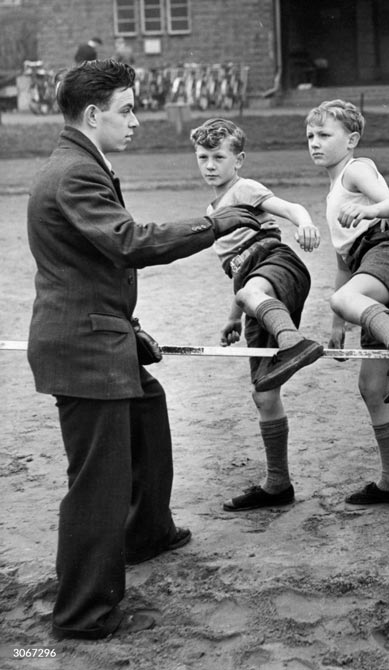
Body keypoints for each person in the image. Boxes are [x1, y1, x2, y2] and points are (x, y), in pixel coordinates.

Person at [26, 60, 261, 640]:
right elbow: (128, 242)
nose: (135, 120)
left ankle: (148, 532)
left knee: (148, 413)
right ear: (91, 114)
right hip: (84, 348)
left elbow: (92, 262)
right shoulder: (75, 173)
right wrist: (214, 222)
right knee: (97, 485)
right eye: (126, 109)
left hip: (102, 334)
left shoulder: (81, 163)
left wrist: (126, 330)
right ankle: (83, 614)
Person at [306, 99, 389, 505]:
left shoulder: (356, 168)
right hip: (372, 263)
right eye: (310, 136)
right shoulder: (333, 192)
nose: (315, 143)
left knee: (346, 298)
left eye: (325, 135)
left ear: (352, 140)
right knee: (371, 386)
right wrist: (337, 324)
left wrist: (368, 212)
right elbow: (344, 261)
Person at [190, 118, 324, 511]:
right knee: (264, 393)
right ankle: (278, 484)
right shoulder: (211, 209)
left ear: (239, 160)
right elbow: (238, 274)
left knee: (253, 291)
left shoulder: (244, 189)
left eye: (219, 157)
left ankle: (294, 343)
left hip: (279, 264)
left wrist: (306, 224)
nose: (210, 165)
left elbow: (290, 207)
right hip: (254, 290)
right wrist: (233, 317)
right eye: (203, 157)